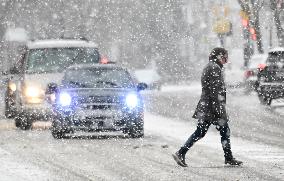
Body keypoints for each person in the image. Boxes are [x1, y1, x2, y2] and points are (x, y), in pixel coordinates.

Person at [172, 47, 243, 167]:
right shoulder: (214, 68)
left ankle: (181, 152)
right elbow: (215, 91)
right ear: (220, 57)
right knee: (221, 131)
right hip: (212, 107)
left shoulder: (211, 66)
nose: (226, 59)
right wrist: (219, 110)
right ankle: (228, 157)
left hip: (208, 106)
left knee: (203, 131)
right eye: (225, 56)